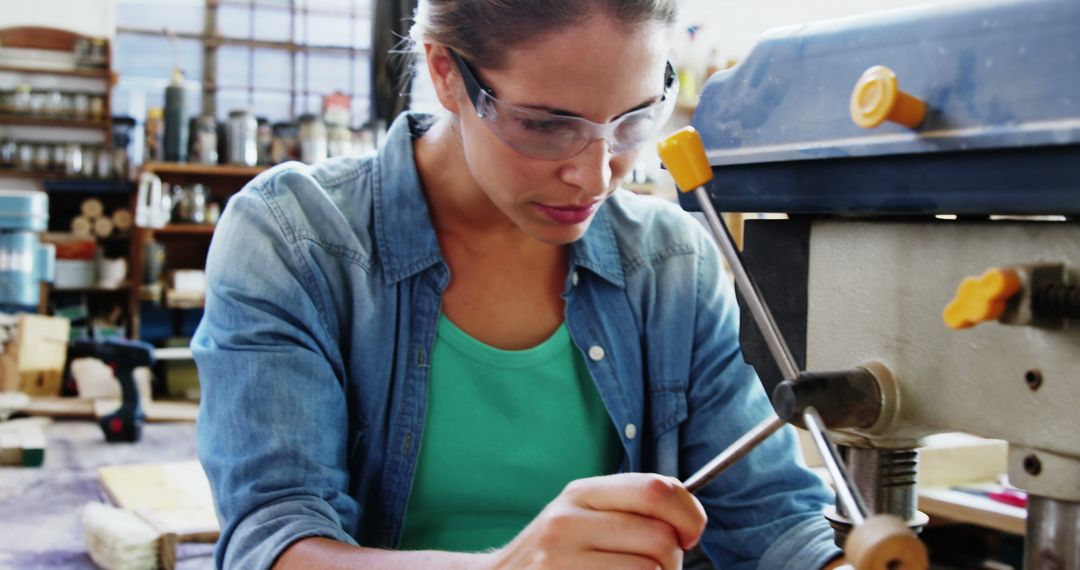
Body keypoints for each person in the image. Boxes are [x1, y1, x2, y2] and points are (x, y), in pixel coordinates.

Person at [194, 1, 844, 568]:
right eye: (546, 126)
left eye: (634, 120)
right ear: (446, 72)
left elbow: (769, 518)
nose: (595, 177)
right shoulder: (296, 239)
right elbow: (273, 544)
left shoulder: (672, 264)